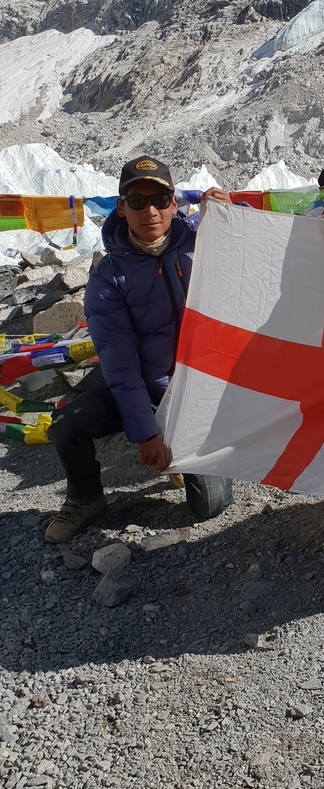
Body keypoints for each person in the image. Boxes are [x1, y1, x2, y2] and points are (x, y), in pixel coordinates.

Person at [45, 156, 231, 545]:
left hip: (196, 391)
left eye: (160, 200)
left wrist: (234, 211)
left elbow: (261, 249)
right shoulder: (108, 277)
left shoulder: (207, 241)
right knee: (67, 424)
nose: (150, 211)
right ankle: (86, 499)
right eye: (137, 200)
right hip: (142, 385)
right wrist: (146, 433)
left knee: (210, 506)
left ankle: (182, 447)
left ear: (175, 203)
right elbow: (120, 362)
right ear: (121, 206)